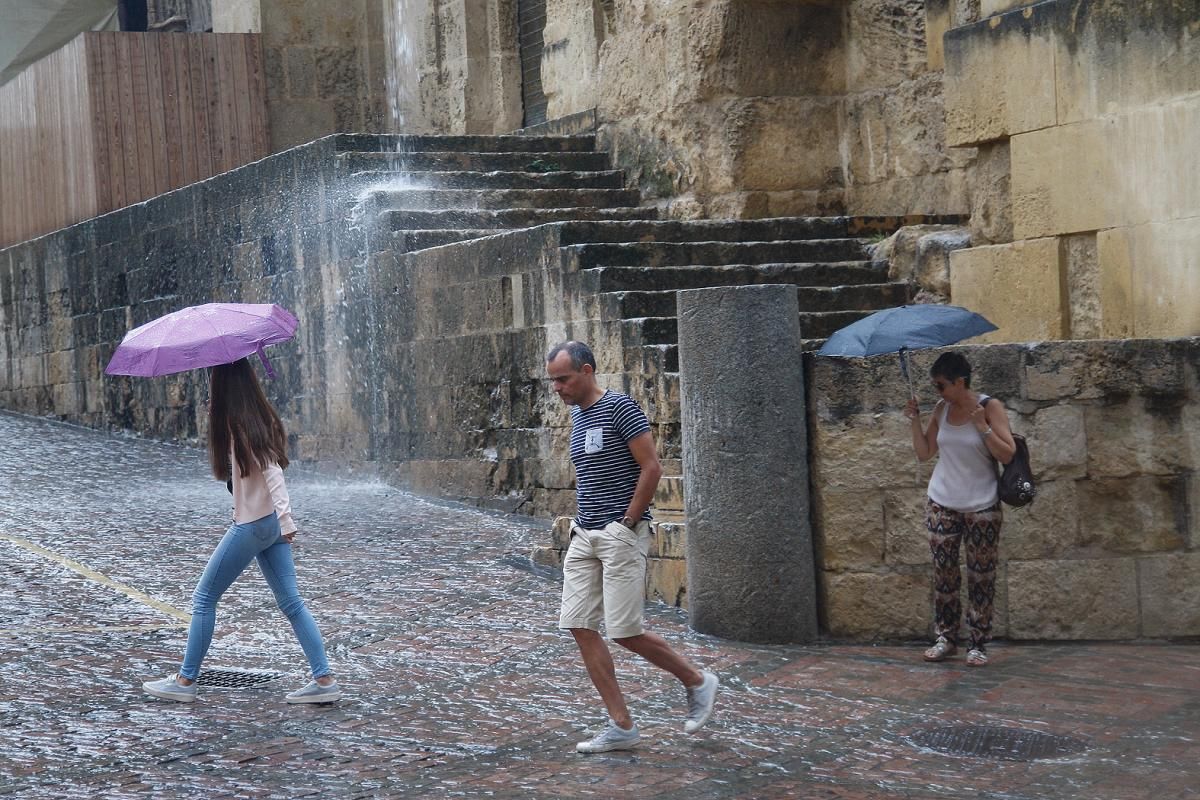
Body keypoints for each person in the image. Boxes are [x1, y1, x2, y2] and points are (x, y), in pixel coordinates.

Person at [546, 340, 718, 753]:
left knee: (624, 631)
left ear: (587, 371)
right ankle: (621, 725)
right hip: (584, 534)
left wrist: (628, 523)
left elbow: (652, 467)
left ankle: (697, 680)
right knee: (578, 624)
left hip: (620, 533)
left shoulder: (620, 408)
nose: (557, 388)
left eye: (563, 379)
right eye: (552, 381)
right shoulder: (578, 415)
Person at [143, 358, 340, 703]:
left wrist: (287, 519)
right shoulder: (253, 416)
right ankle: (324, 681)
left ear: (225, 383)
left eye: (214, 378)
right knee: (292, 602)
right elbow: (242, 479)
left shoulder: (241, 422)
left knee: (204, 598)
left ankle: (186, 682)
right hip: (269, 525)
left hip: (254, 525)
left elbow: (273, 470)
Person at [905, 351, 1016, 667]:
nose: (937, 392)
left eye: (941, 386)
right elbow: (925, 452)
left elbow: (1007, 455)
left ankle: (978, 643)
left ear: (960, 382)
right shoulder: (941, 409)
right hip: (942, 503)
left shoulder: (990, 407)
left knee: (982, 575)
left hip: (982, 504)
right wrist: (915, 419)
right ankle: (946, 638)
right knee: (944, 574)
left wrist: (982, 427)